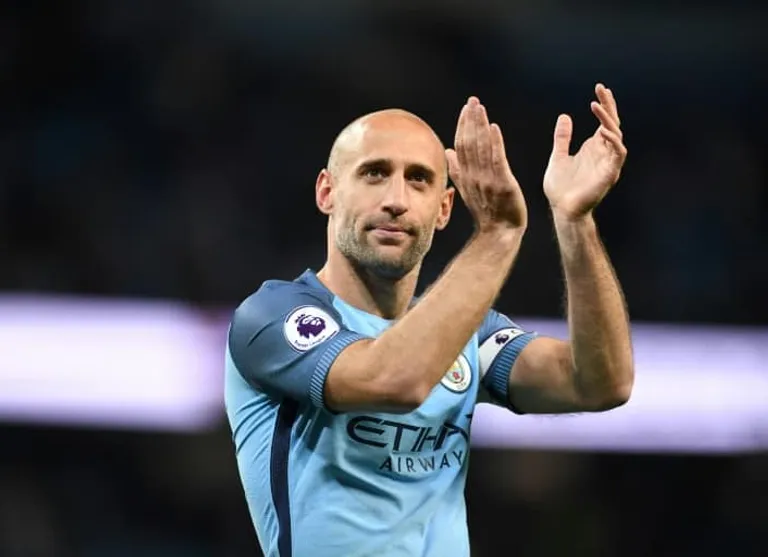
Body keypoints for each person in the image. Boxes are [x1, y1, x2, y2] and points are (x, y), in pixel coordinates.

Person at [224, 83, 634, 557]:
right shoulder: (272, 316)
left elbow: (599, 383)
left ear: (443, 209)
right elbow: (392, 379)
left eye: (418, 179)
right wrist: (497, 234)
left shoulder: (466, 331)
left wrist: (575, 221)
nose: (396, 199)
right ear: (327, 192)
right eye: (374, 173)